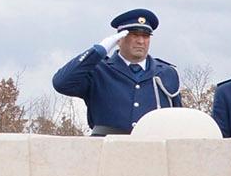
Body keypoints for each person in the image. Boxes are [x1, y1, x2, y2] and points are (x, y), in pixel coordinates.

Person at [52, 9, 182, 135]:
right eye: (134, 35)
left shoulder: (166, 73)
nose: (141, 41)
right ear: (119, 39)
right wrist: (99, 51)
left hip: (153, 150)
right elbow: (61, 83)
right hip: (106, 150)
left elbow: (177, 118)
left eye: (146, 36)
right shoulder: (98, 70)